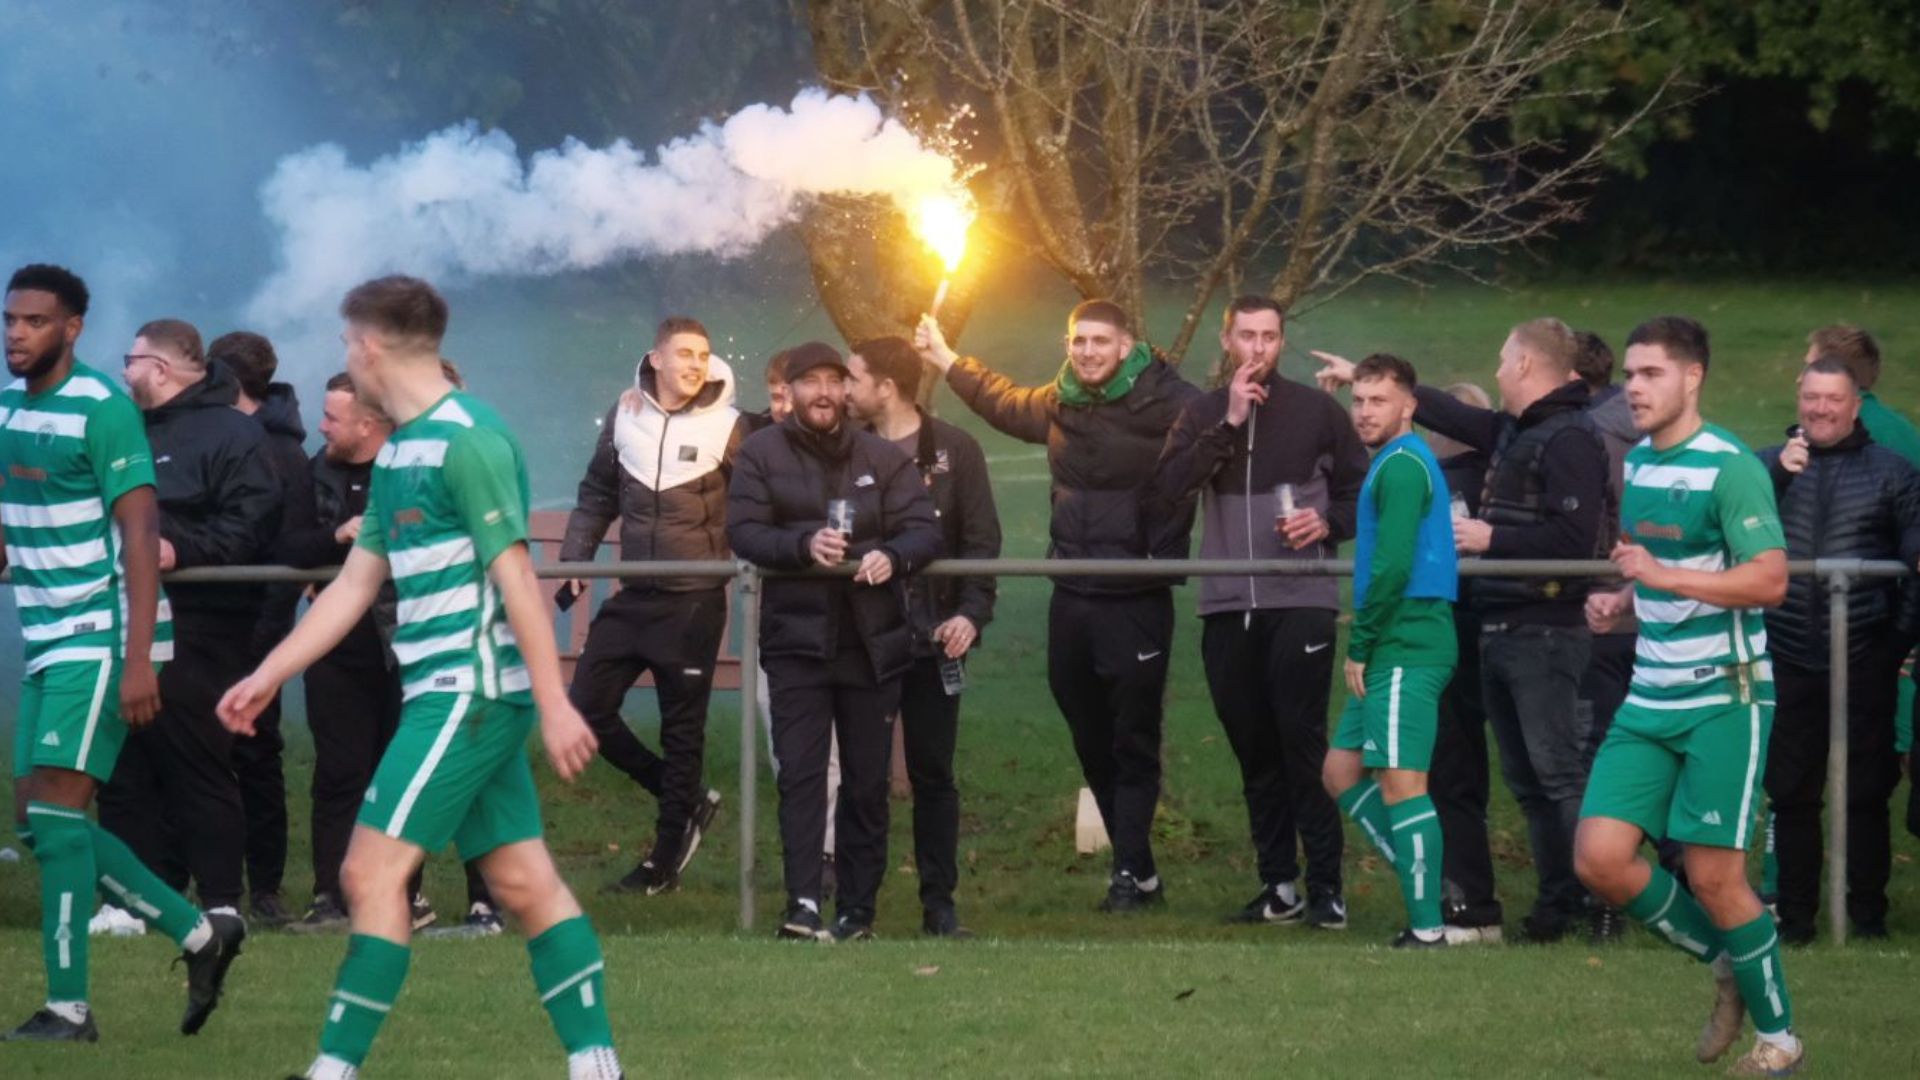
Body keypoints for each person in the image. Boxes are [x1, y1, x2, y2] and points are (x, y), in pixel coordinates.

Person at [216, 276, 622, 1080]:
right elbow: (356, 583)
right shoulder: (400, 446)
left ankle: (332, 1071)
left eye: (344, 343)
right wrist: (268, 672)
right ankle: (596, 1064)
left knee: (368, 872)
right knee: (521, 878)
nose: (344, 358)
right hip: (450, 694)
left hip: (466, 694)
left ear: (370, 346)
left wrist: (554, 703)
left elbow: (516, 576)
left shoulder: (471, 438)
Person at [1, 263, 245, 1042]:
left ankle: (70, 1009)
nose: (15, 333)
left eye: (34, 321)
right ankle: (200, 932)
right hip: (47, 634)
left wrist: (139, 660)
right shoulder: (6, 404)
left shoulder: (104, 408)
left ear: (72, 329)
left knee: (57, 815)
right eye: (9, 319)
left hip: (100, 638)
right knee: (39, 825)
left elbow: (142, 535)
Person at [1318, 318, 1611, 943]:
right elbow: (1448, 413)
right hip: (1490, 623)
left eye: (1505, 359)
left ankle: (1587, 908)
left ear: (1528, 365)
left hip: (1527, 630)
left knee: (1544, 776)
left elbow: (1573, 542)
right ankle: (1459, 896)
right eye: (1359, 401)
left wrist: (1491, 538)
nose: (1497, 369)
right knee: (1506, 781)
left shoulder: (1568, 438)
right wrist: (1364, 377)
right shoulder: (1515, 429)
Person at [915, 301, 1201, 911]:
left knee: (1134, 738)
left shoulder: (1167, 400)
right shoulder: (1061, 399)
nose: (1088, 352)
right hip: (1071, 595)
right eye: (1078, 341)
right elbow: (1003, 401)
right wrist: (946, 359)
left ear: (1126, 346)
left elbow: (1221, 429)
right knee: (1087, 732)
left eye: (1100, 341)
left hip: (1137, 596)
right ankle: (1140, 867)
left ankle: (1127, 874)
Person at [1575, 315, 1802, 1076]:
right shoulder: (1637, 462)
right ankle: (1727, 960)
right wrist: (1626, 604)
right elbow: (1668, 578)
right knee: (1601, 859)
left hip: (1724, 698)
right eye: (1630, 374)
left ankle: (1780, 1040)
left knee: (1713, 875)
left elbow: (1769, 579)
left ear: (1692, 377)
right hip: (1651, 695)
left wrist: (1663, 578)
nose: (1633, 388)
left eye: (1651, 375)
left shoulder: (1732, 466)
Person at [1154, 296, 1366, 929]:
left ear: (1281, 343)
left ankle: (1326, 886)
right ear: (1226, 340)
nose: (1258, 349)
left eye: (1269, 337)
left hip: (1300, 600)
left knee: (1302, 746)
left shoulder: (1318, 412)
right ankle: (1279, 885)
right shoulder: (1199, 412)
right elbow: (1167, 492)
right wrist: (1228, 420)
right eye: (1246, 336)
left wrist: (1326, 521)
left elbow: (1362, 495)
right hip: (1225, 604)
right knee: (1254, 752)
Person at [726, 341, 941, 941]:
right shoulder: (760, 453)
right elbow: (744, 532)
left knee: (867, 781)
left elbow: (923, 530)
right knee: (800, 774)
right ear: (789, 391)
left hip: (871, 645)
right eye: (809, 382)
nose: (823, 392)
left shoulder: (880, 455)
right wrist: (803, 548)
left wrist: (890, 557)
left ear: (847, 390)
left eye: (832, 381)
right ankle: (801, 904)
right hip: (796, 643)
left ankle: (857, 910)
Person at [279, 373, 491, 936]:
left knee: (411, 774)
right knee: (338, 773)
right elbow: (287, 544)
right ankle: (330, 897)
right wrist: (337, 538)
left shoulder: (419, 464)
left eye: (333, 418)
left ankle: (413, 896)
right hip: (339, 646)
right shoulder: (317, 468)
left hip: (415, 643)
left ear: (368, 425)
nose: (320, 427)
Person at [101, 317, 280, 921]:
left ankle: (223, 901)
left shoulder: (233, 434)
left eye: (130, 360)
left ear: (160, 369)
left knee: (197, 761)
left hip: (204, 624)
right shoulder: (121, 429)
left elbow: (251, 524)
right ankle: (131, 903)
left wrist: (182, 551)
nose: (122, 372)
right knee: (124, 766)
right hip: (121, 619)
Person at [558, 317, 741, 894]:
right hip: (633, 597)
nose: (695, 365)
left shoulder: (735, 425)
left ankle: (662, 864)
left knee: (682, 732)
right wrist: (575, 561)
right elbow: (596, 494)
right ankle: (682, 797)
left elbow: (768, 491)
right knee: (584, 711)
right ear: (655, 359)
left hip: (694, 603)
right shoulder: (624, 415)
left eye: (704, 356)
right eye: (684, 353)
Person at [1755, 358, 1920, 943]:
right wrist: (1776, 472)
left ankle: (1865, 919)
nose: (1820, 409)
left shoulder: (1893, 473)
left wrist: (1893, 643)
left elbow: (1915, 563)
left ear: (1856, 405)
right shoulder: (1762, 467)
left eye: (1832, 399)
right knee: (1791, 795)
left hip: (1866, 658)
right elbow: (1728, 534)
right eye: (1811, 397)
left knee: (1865, 796)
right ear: (1798, 399)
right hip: (1788, 656)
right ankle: (1796, 922)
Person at [844, 334, 1002, 937]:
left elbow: (982, 542)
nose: (844, 389)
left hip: (936, 642)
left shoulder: (956, 451)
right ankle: (858, 908)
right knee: (864, 775)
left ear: (886, 387)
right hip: (864, 641)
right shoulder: (846, 451)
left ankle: (940, 905)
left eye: (854, 378)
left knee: (934, 774)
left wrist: (971, 614)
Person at [1319, 353, 1459, 948]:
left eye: (1379, 401)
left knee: (1403, 783)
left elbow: (1394, 564)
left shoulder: (1403, 465)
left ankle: (1428, 924)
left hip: (1407, 640)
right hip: (1393, 642)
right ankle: (1425, 878)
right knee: (1341, 770)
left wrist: (1362, 644)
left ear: (1409, 406)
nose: (1365, 412)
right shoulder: (1392, 462)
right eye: (1359, 400)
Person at [209, 329, 315, 927]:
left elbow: (288, 554)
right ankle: (212, 881)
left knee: (256, 755)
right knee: (202, 756)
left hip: (256, 633)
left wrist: (266, 643)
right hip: (211, 627)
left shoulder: (283, 455)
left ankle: (265, 886)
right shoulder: (224, 439)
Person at [1424, 381, 1504, 943]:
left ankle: (1468, 898)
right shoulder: (1505, 475)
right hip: (1509, 624)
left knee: (1453, 771)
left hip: (1447, 631)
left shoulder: (1434, 484)